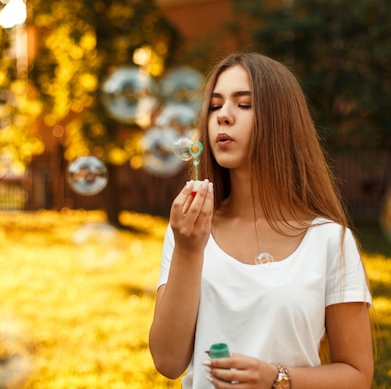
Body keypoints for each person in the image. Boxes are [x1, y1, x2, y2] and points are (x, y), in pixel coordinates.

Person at [149, 52, 373, 389]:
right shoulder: (189, 232)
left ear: (279, 119)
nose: (222, 116)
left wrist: (276, 378)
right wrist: (190, 250)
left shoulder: (329, 240)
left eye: (243, 104)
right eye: (214, 106)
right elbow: (167, 361)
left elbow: (357, 376)